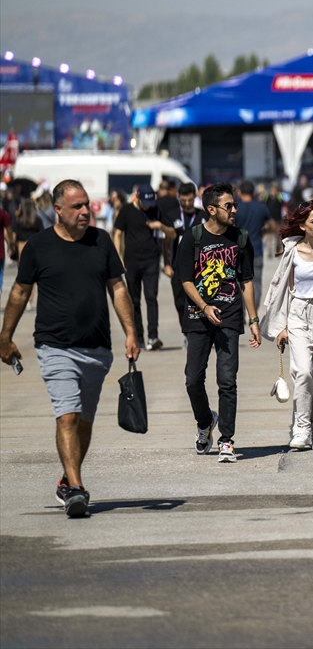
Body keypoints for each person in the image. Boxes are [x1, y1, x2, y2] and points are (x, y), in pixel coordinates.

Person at [0, 181, 140, 517]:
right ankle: (77, 488)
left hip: (97, 348)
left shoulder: (101, 241)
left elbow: (117, 288)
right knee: (68, 415)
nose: (84, 212)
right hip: (54, 346)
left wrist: (131, 333)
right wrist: (5, 336)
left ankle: (67, 477)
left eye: (87, 205)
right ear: (57, 210)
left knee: (85, 422)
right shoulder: (38, 246)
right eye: (76, 206)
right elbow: (20, 292)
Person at [174, 181, 262, 463]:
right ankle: (204, 422)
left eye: (234, 204)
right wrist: (204, 306)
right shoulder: (192, 238)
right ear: (211, 210)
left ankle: (226, 440)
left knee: (227, 380)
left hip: (230, 316)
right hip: (198, 317)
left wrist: (254, 320)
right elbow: (186, 280)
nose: (234, 209)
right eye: (228, 206)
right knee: (192, 380)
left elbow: (246, 281)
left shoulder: (241, 238)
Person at [261, 200, 313, 451]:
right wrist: (282, 325)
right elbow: (283, 290)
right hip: (298, 313)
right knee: (303, 372)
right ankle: (302, 427)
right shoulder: (293, 251)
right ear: (303, 225)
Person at [112, 184, 176, 351]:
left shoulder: (157, 210)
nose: (148, 206)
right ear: (138, 198)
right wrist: (117, 256)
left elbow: (173, 233)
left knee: (151, 298)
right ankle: (138, 336)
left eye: (150, 202)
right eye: (145, 202)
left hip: (151, 260)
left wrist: (159, 226)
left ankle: (153, 336)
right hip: (131, 261)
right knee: (134, 300)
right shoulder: (127, 210)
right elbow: (117, 233)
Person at [166, 182, 207, 334]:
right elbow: (166, 242)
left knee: (200, 300)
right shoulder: (172, 216)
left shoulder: (203, 216)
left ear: (195, 197)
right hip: (178, 267)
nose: (187, 204)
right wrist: (167, 264)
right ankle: (186, 332)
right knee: (180, 302)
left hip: (200, 268)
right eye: (183, 201)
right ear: (179, 198)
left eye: (190, 200)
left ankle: (201, 331)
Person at [234, 181, 277, 311]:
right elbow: (273, 226)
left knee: (238, 282)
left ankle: (240, 312)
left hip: (238, 250)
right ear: (253, 193)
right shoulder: (261, 207)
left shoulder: (235, 209)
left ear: (240, 192)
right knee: (256, 282)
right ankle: (253, 309)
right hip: (256, 250)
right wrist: (264, 232)